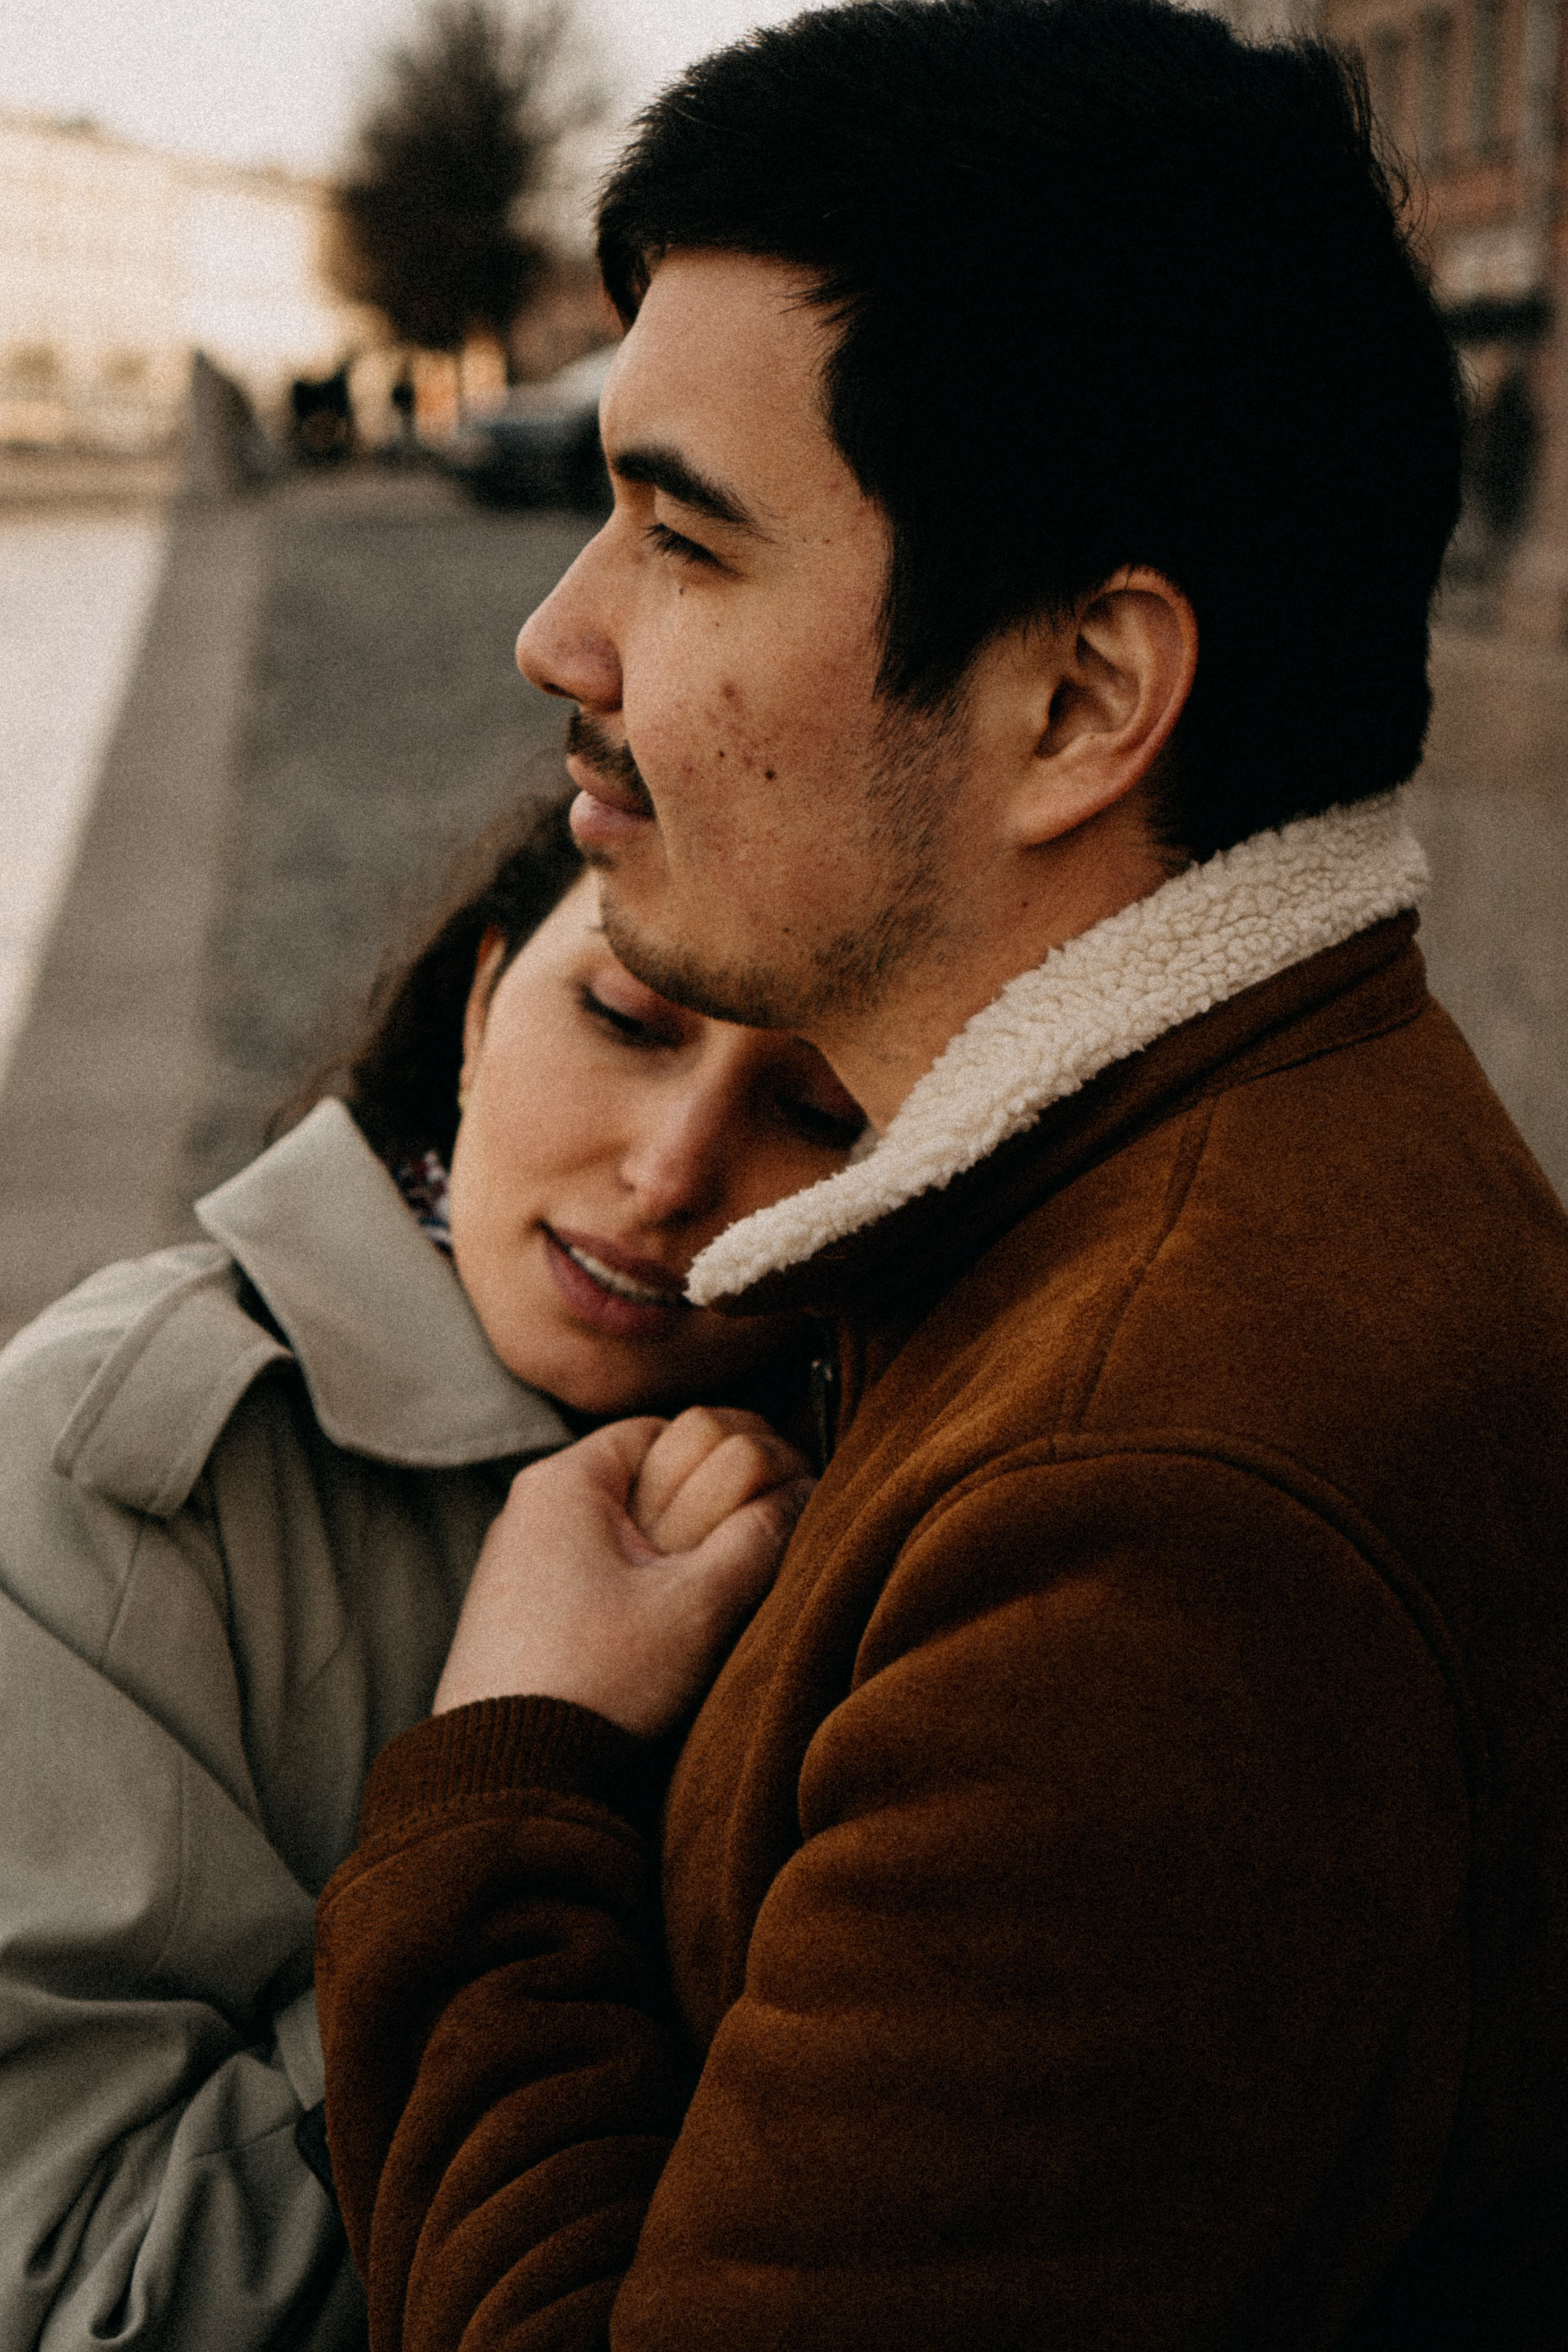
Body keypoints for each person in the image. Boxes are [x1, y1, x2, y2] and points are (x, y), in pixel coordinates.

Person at [312, 1, 1568, 2346]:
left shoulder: (1158, 1521)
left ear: (1081, 701)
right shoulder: (1236, 1180)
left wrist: (512, 1780)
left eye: (685, 538)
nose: (555, 632)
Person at [0, 790, 862, 2351]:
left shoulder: (889, 1461)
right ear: (479, 1004)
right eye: (624, 1020)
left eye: (815, 1112)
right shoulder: (91, 1475)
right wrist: (527, 1756)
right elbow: (89, 2297)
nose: (672, 1172)